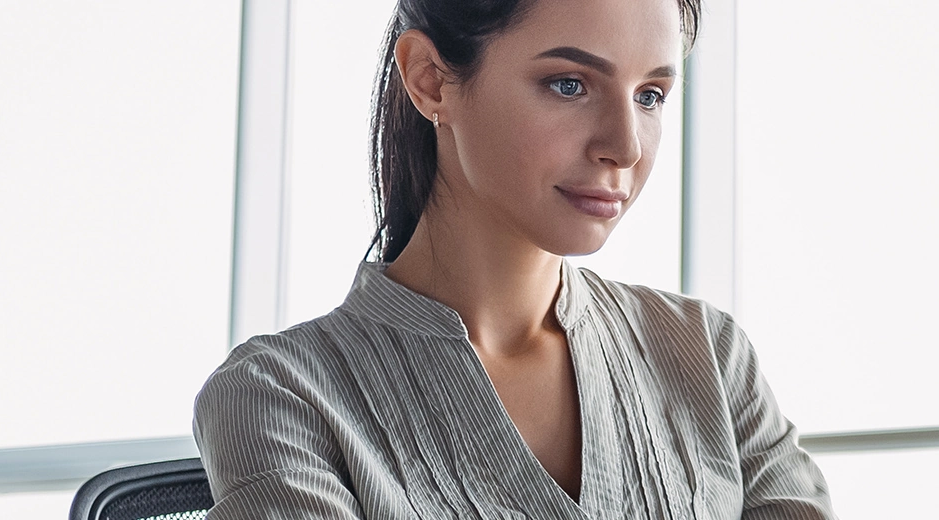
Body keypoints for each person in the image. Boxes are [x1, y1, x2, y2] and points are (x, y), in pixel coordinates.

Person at [191, 0, 834, 517]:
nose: (626, 146)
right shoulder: (280, 399)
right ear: (430, 79)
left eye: (651, 95)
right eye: (568, 84)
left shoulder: (708, 358)